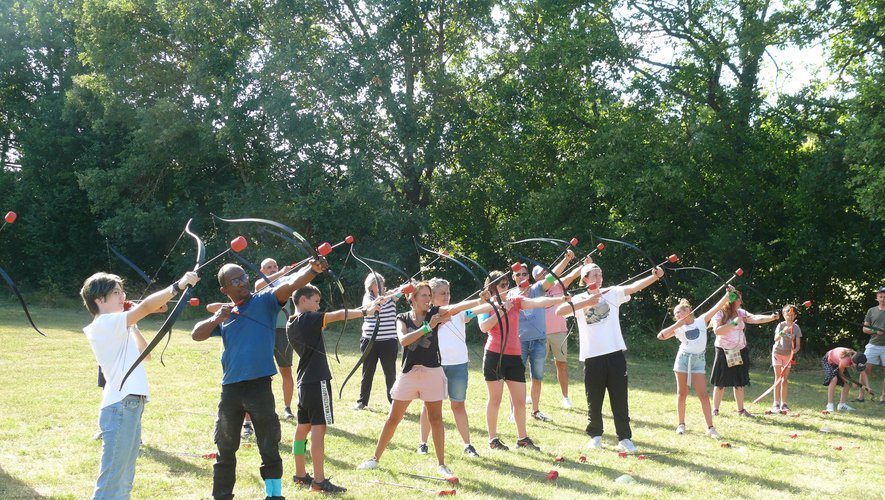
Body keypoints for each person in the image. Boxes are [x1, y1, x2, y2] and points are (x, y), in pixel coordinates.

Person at [191, 258, 327, 500]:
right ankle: (222, 495)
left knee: (268, 445)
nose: (242, 282)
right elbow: (196, 335)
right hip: (230, 390)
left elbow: (291, 285)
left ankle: (274, 496)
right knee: (225, 448)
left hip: (259, 386)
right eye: (235, 280)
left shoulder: (264, 301)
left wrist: (312, 270)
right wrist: (216, 319)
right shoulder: (226, 314)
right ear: (225, 289)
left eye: (243, 276)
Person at [81, 270, 199, 499]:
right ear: (99, 299)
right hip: (120, 406)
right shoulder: (104, 323)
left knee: (124, 479)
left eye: (122, 291)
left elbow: (145, 355)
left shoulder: (119, 326)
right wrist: (178, 286)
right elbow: (145, 307)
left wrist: (133, 325)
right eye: (116, 292)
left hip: (129, 405)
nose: (122, 296)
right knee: (112, 479)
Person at [357, 281, 491, 477]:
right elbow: (404, 340)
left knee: (436, 419)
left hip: (432, 372)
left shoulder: (435, 312)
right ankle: (375, 458)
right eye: (424, 296)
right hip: (409, 373)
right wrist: (429, 327)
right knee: (393, 418)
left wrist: (480, 299)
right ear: (412, 299)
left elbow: (458, 307)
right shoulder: (402, 318)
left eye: (430, 295)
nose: (428, 300)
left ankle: (441, 464)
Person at [556, 263, 661, 454]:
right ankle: (595, 436)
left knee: (620, 398)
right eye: (594, 275)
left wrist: (655, 276)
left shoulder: (611, 293)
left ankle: (624, 438)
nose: (598, 278)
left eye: (600, 274)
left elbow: (634, 287)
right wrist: (586, 302)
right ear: (585, 279)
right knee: (594, 399)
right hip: (592, 356)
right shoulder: (579, 298)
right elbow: (559, 311)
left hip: (615, 354)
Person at [287, 284, 381, 493]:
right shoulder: (308, 318)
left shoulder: (291, 323)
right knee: (319, 430)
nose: (318, 306)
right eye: (316, 301)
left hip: (304, 382)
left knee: (302, 429)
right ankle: (319, 482)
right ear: (303, 300)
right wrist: (367, 311)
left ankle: (300, 474)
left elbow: (324, 324)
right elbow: (337, 315)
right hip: (317, 380)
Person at [481, 272, 570, 452]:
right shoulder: (486, 305)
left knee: (520, 401)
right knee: (495, 399)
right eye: (502, 285)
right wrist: (500, 309)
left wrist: (560, 298)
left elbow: (537, 302)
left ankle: (522, 439)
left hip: (514, 356)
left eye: (507, 284)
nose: (506, 288)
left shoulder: (515, 301)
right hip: (494, 355)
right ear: (492, 288)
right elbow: (484, 327)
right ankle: (493, 439)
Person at [656, 288, 734, 439]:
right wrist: (676, 325)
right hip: (683, 359)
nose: (677, 315)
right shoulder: (678, 328)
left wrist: (727, 294)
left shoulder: (701, 321)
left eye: (680, 312)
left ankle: (710, 428)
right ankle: (681, 424)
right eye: (675, 314)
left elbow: (717, 307)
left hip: (698, 360)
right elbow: (661, 336)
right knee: (682, 393)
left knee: (703, 395)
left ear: (689, 311)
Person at [417, 278, 481, 458]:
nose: (446, 296)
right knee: (429, 405)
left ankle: (468, 445)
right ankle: (423, 442)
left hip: (459, 364)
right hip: (436, 365)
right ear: (432, 297)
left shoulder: (459, 311)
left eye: (448, 293)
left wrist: (491, 301)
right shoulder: (428, 315)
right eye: (442, 293)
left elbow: (476, 310)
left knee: (458, 404)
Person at [510, 251, 573, 422]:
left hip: (539, 340)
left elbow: (553, 277)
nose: (522, 276)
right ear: (513, 277)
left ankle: (535, 411)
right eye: (518, 274)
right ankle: (513, 412)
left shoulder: (537, 288)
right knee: (516, 378)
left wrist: (566, 259)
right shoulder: (509, 294)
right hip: (519, 341)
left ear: (528, 275)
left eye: (524, 274)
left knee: (537, 377)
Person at [709, 290, 779, 417]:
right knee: (720, 382)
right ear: (731, 301)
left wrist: (771, 317)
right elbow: (717, 331)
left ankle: (741, 410)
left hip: (738, 350)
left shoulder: (741, 312)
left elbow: (754, 318)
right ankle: (715, 410)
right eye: (738, 299)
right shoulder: (720, 313)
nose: (741, 301)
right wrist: (734, 322)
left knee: (739, 381)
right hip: (724, 351)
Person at [537, 255, 589, 409]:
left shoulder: (559, 286)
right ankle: (533, 397)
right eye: (539, 275)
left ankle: (565, 397)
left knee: (561, 364)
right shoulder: (535, 291)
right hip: (540, 333)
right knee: (537, 366)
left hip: (559, 331)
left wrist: (584, 265)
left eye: (544, 273)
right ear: (536, 278)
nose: (543, 276)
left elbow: (572, 275)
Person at [254, 258, 297, 421]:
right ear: (262, 270)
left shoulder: (286, 283)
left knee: (286, 370)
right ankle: (263, 408)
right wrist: (281, 273)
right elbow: (259, 285)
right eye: (269, 267)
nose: (272, 269)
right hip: (264, 332)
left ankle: (287, 407)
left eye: (275, 266)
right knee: (261, 373)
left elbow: (300, 282)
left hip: (282, 331)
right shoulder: (261, 283)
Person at [354, 273, 403, 410]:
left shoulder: (391, 296)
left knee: (390, 372)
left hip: (388, 341)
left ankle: (393, 401)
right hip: (369, 340)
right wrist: (378, 302)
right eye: (376, 283)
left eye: (381, 283)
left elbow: (401, 293)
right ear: (370, 286)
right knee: (367, 371)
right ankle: (362, 402)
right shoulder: (367, 298)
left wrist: (406, 288)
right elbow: (368, 307)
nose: (380, 286)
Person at [770, 304, 802, 412]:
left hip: (788, 356)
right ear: (784, 314)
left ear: (795, 316)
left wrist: (793, 352)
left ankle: (783, 403)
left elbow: (797, 346)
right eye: (787, 314)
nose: (789, 316)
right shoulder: (780, 325)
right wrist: (784, 331)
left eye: (792, 315)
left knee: (784, 380)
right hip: (777, 353)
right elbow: (776, 338)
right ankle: (776, 403)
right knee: (778, 378)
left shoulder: (796, 328)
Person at [858, 286, 885, 404]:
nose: (883, 299)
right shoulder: (871, 311)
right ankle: (861, 396)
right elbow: (865, 328)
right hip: (873, 345)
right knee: (864, 369)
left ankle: (883, 397)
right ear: (877, 297)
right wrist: (876, 331)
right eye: (881, 296)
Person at [822, 347, 866, 412]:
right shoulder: (845, 360)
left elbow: (863, 373)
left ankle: (842, 405)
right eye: (856, 366)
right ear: (853, 361)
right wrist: (851, 383)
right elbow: (840, 373)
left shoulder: (859, 357)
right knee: (834, 378)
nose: (856, 368)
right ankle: (829, 405)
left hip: (839, 362)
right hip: (829, 361)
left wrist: (867, 386)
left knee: (847, 382)